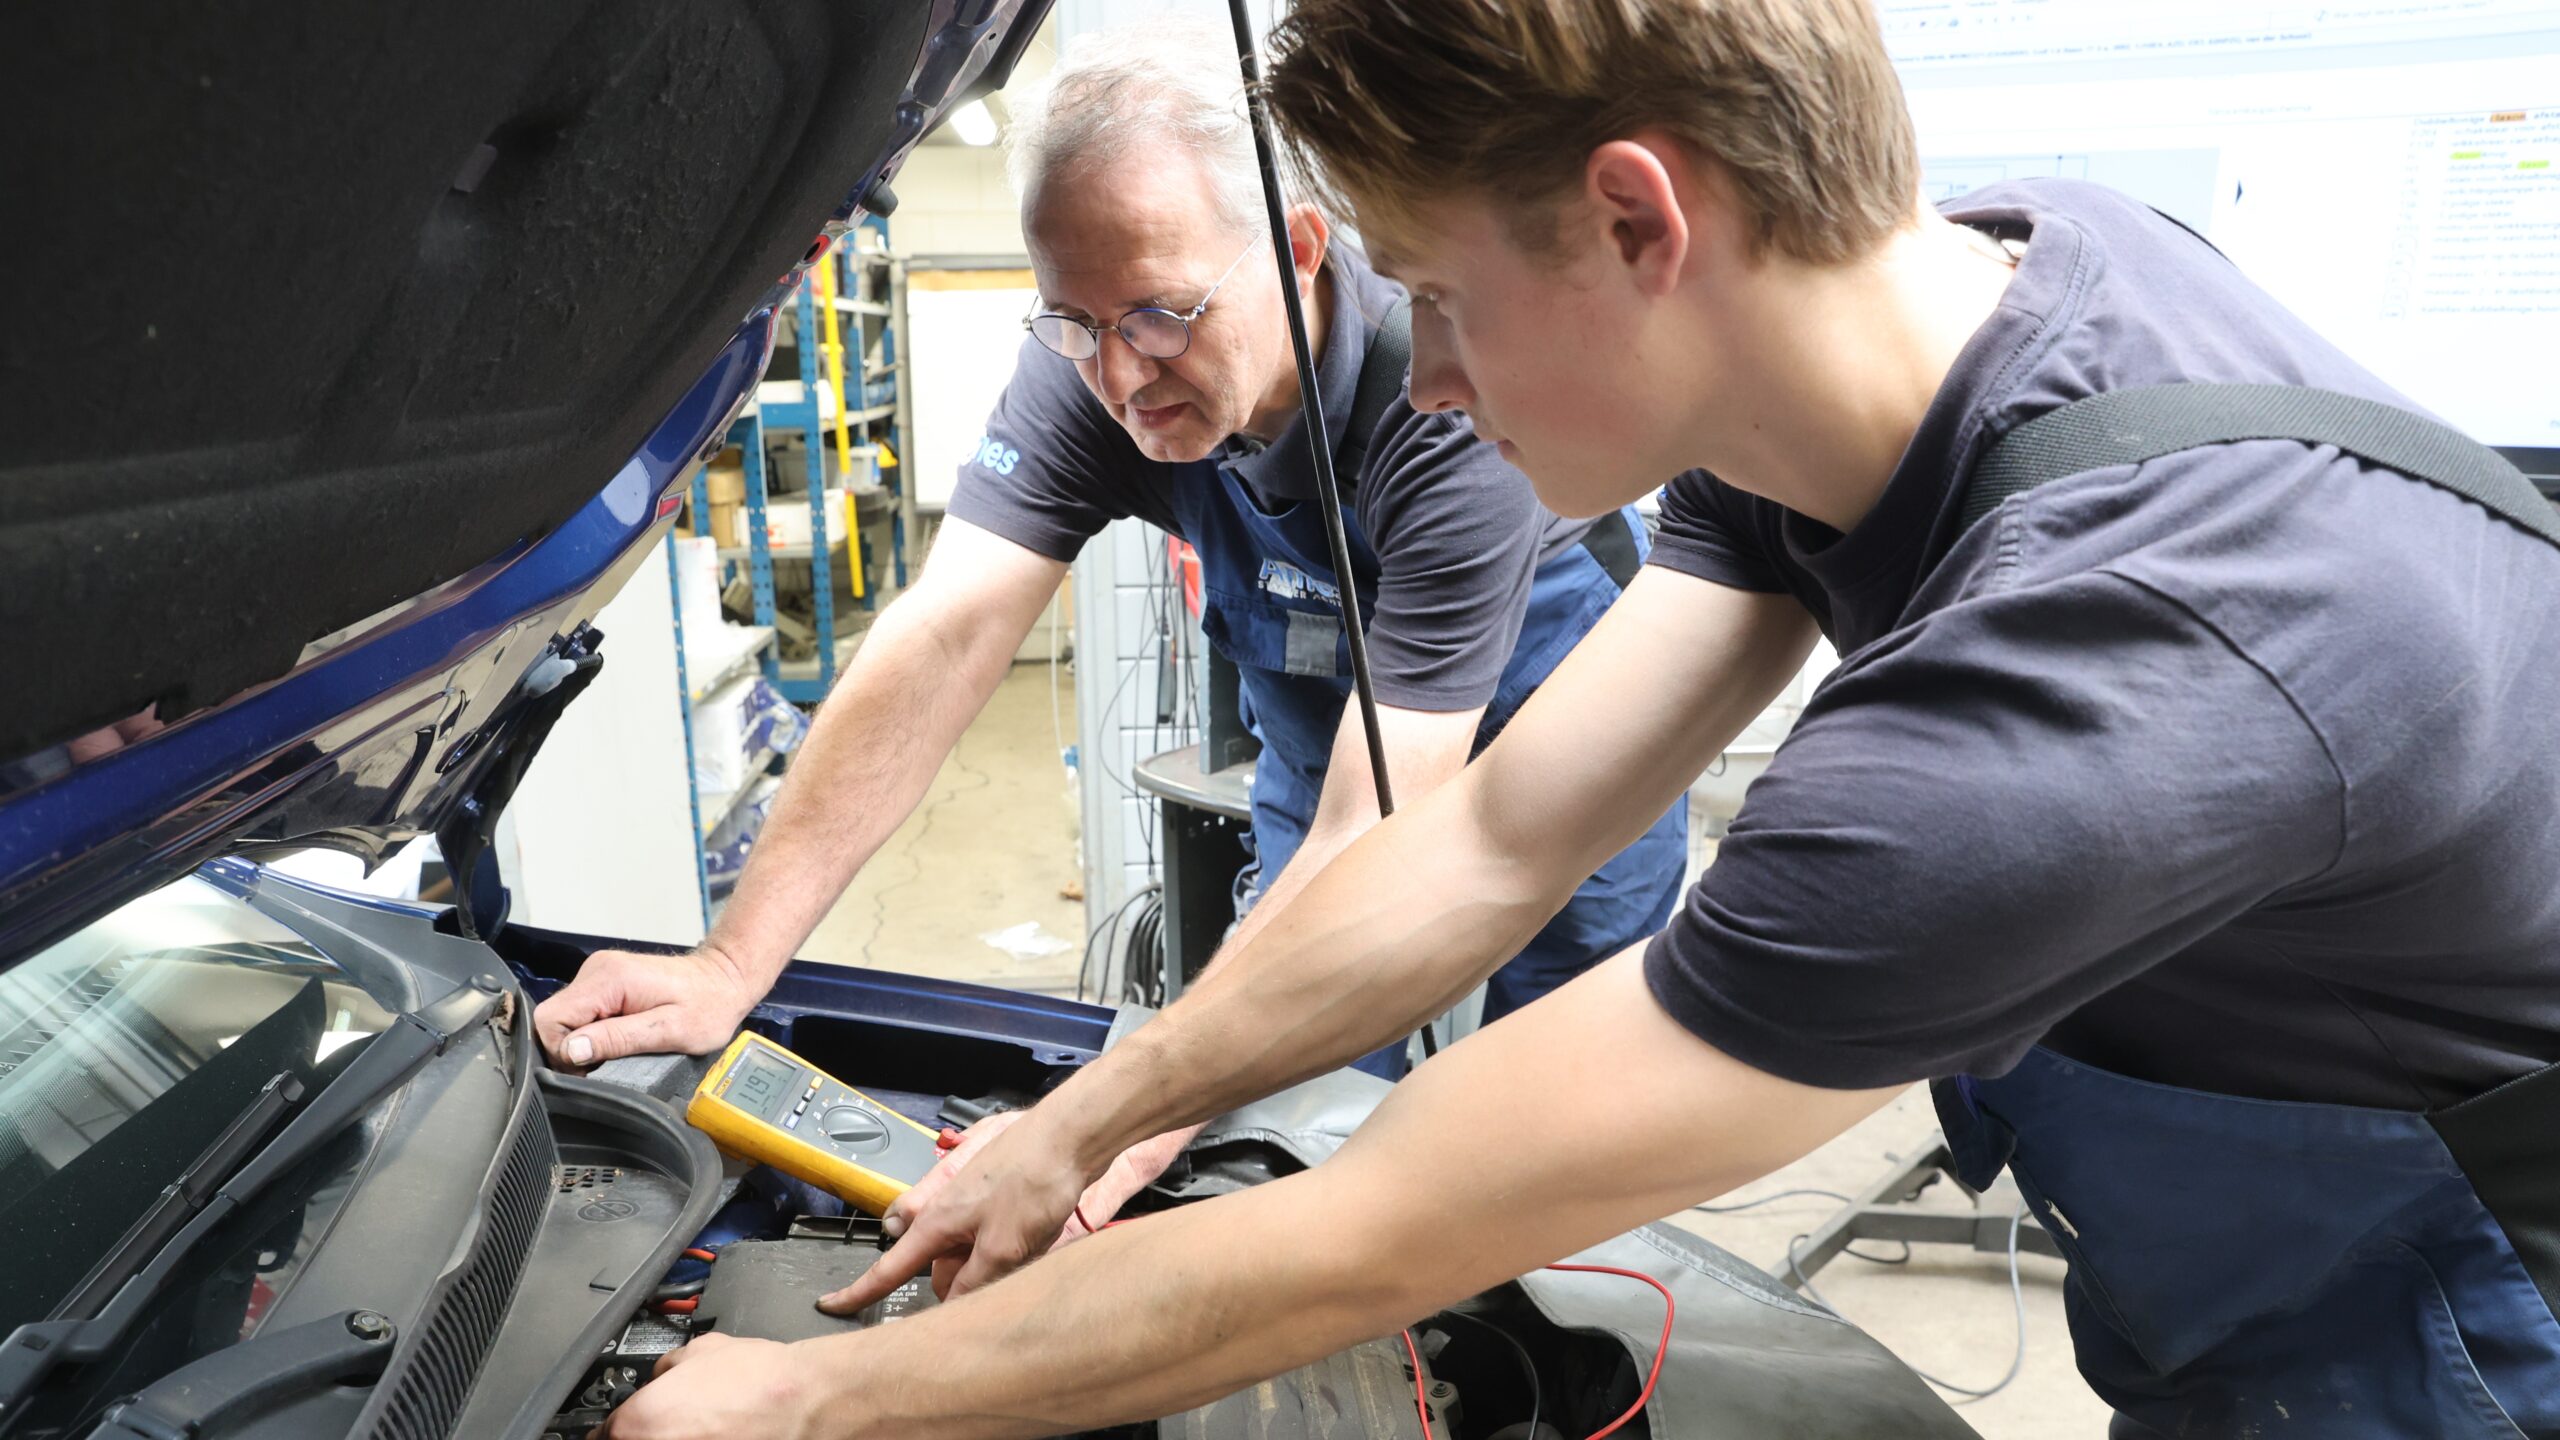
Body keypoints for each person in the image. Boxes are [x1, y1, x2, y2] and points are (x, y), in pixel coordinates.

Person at [597, 2, 2560, 1437]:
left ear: (1639, 224)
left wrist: (814, 1404)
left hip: (2451, 1315)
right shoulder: (1947, 299)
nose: (1426, 382)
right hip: (2243, 1210)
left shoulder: (2071, 705)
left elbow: (1388, 1231)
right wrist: (1085, 1122)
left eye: (1437, 297)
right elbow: (1486, 835)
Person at [534, 18, 1686, 1210]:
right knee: (1280, 1112)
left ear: (1297, 250)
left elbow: (1373, 831)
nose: (1120, 376)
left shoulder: (1442, 391)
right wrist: (732, 962)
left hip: (1554, 738)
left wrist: (1109, 1126)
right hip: (1328, 746)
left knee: (1562, 1116)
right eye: (1076, 324)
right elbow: (945, 634)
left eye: (1160, 314)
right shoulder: (1089, 359)